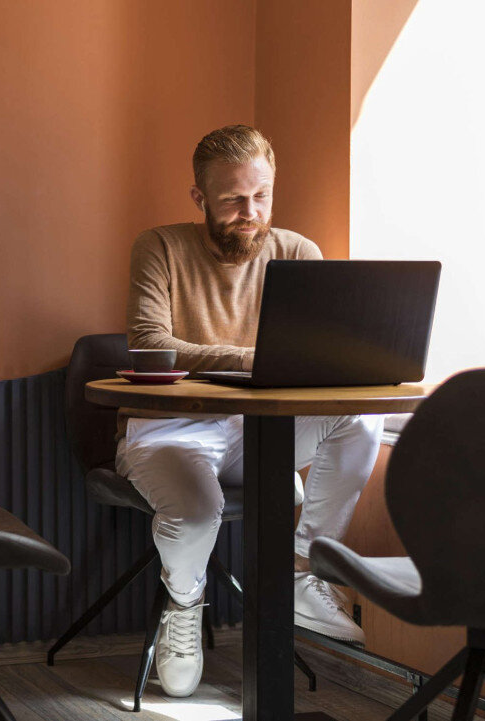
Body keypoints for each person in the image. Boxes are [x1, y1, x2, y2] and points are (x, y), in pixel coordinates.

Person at [116, 124, 383, 697]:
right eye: (233, 198)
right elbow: (150, 343)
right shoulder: (160, 246)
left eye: (260, 196)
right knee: (192, 513)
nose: (249, 211)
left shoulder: (297, 251)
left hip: (259, 430)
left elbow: (314, 354)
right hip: (171, 429)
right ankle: (184, 603)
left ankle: (301, 570)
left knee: (361, 419)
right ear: (200, 198)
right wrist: (255, 357)